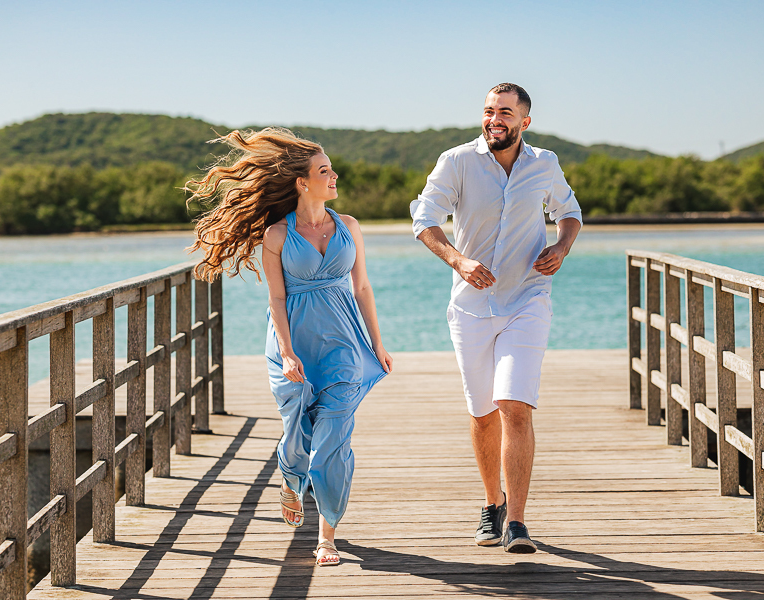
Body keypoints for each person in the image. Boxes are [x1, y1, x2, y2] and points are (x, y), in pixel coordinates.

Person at [187, 128, 392, 566]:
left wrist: (377, 343)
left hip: (344, 343)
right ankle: (291, 476)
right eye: (324, 170)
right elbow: (276, 298)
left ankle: (327, 537)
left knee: (334, 438)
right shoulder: (277, 235)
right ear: (302, 182)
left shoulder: (349, 227)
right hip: (294, 343)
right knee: (298, 436)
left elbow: (363, 288)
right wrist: (286, 350)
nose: (334, 176)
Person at [410, 83, 582, 553]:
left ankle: (518, 523)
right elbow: (424, 220)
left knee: (514, 405)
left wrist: (562, 247)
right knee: (484, 413)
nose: (494, 119)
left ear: (524, 122)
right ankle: (492, 505)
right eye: (489, 111)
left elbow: (569, 212)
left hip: (528, 299)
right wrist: (458, 261)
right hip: (470, 306)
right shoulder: (457, 162)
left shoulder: (544, 164)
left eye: (505, 112)